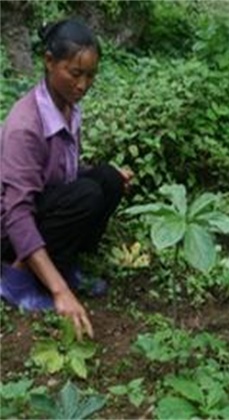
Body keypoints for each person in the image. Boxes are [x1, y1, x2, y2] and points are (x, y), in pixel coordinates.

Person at [0, 18, 133, 340]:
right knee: (87, 194)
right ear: (49, 62)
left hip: (42, 210)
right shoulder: (26, 126)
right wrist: (60, 293)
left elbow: (62, 171)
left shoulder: (69, 108)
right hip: (10, 228)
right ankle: (16, 279)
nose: (83, 85)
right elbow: (16, 212)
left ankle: (62, 264)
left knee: (106, 180)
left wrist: (107, 176)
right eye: (75, 74)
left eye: (90, 76)